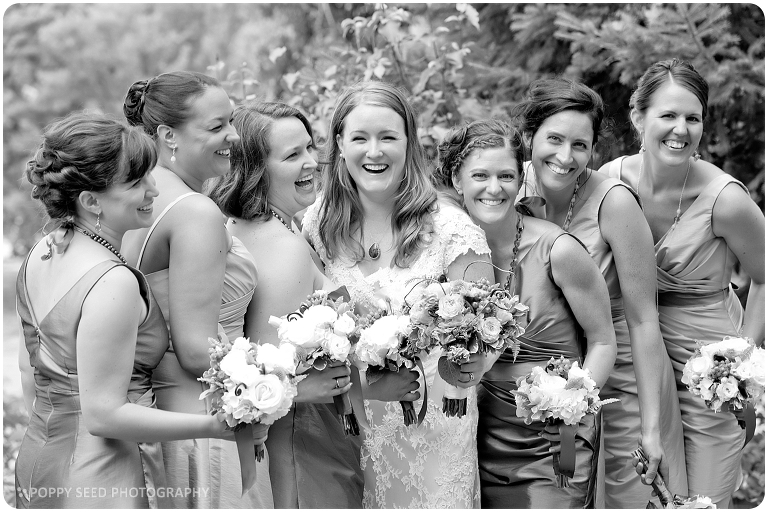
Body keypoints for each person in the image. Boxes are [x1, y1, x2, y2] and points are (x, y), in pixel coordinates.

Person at [15, 112, 257, 509]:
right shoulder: (113, 282)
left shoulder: (43, 251)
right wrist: (216, 426)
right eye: (136, 182)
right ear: (91, 201)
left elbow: (30, 371)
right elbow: (104, 415)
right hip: (101, 474)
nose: (153, 190)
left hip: (41, 454)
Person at [303, 80, 495, 508]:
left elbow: (486, 332)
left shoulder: (450, 229)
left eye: (388, 137)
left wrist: (469, 366)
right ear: (339, 143)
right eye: (360, 138)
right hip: (350, 426)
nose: (374, 151)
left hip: (435, 431)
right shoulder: (318, 224)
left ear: (409, 143)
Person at [511, 77, 688, 508]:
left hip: (624, 379)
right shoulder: (508, 188)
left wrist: (650, 427)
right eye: (554, 139)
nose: (565, 157)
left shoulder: (615, 203)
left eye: (580, 145)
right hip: (541, 382)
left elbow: (644, 320)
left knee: (629, 494)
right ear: (529, 137)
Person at [601, 58, 765, 509]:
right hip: (635, 356)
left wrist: (741, 362)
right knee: (641, 489)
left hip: (708, 360)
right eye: (668, 115)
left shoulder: (725, 199)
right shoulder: (609, 182)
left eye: (693, 118)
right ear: (639, 117)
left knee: (705, 494)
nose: (681, 129)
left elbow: (765, 277)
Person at [434, 118, 617, 507]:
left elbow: (603, 341)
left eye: (506, 176)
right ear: (456, 180)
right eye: (480, 175)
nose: (494, 188)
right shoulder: (444, 252)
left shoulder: (558, 250)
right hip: (474, 436)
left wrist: (571, 406)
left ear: (520, 180)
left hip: (552, 439)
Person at [122, 71, 273, 508]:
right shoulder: (195, 213)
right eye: (216, 126)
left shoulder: (137, 200)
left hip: (163, 409)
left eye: (232, 121)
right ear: (168, 135)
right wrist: (274, 382)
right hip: (203, 415)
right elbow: (195, 351)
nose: (234, 136)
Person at [207, 101, 365, 508]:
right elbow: (267, 370)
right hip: (298, 443)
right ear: (255, 169)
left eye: (310, 147)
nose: (311, 162)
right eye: (293, 155)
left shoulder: (256, 226)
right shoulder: (282, 246)